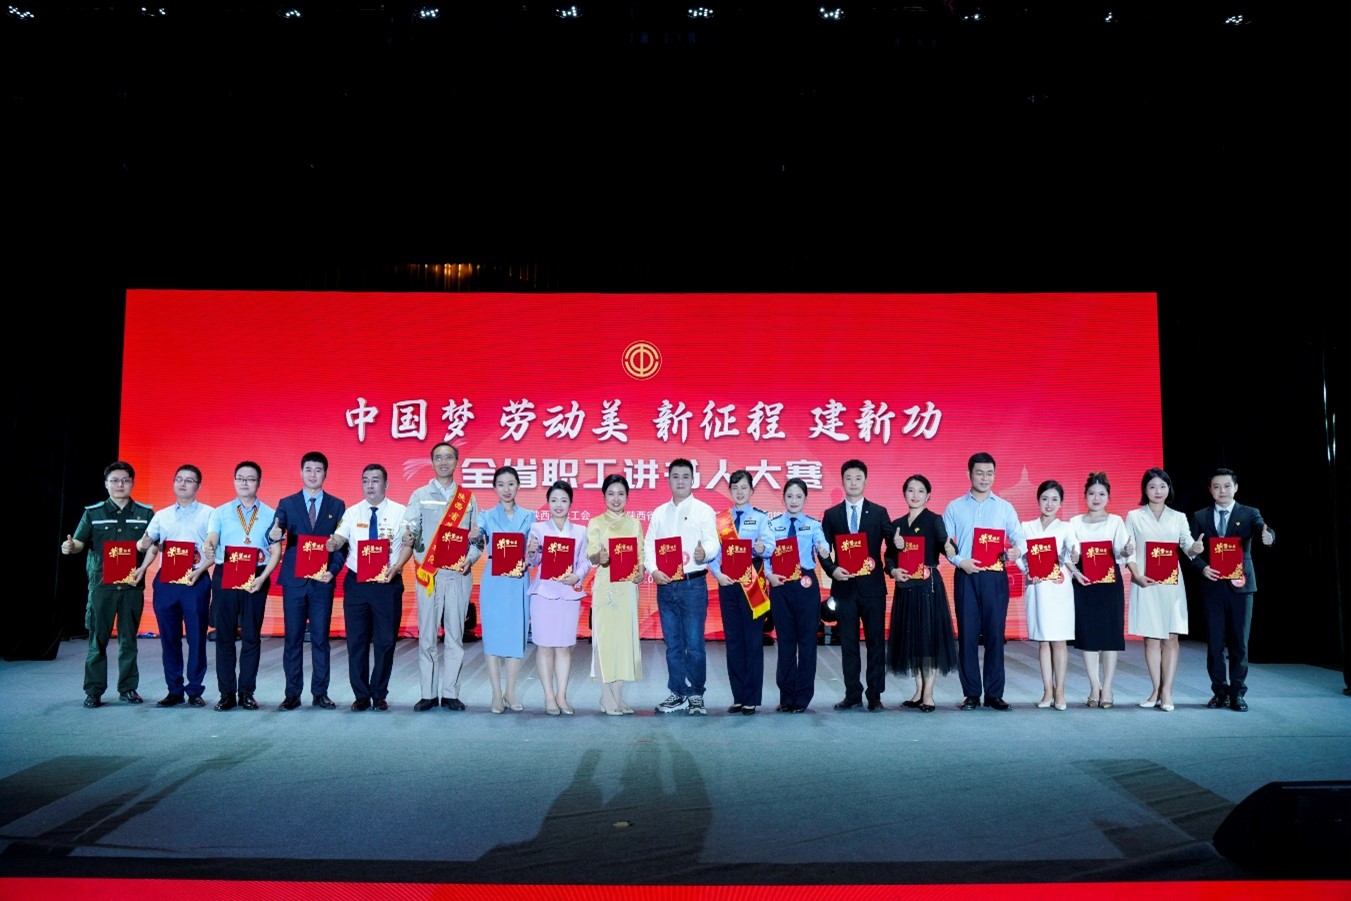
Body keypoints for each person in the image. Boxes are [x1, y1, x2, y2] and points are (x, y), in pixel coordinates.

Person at [61, 461, 154, 708]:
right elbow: (79, 543)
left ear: (132, 483)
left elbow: (154, 546)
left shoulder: (145, 513)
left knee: (128, 641)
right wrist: (70, 547)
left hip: (131, 586)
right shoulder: (93, 513)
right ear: (106, 484)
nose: (120, 484)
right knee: (97, 641)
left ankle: (128, 688)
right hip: (102, 586)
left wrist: (146, 548)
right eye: (114, 480)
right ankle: (93, 691)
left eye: (125, 480)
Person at [403, 442, 482, 712]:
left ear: (456, 462)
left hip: (458, 576)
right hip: (429, 576)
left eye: (448, 457)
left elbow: (478, 539)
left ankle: (450, 693)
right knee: (427, 637)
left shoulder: (468, 499)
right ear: (432, 462)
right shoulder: (420, 495)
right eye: (438, 458)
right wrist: (408, 536)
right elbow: (410, 528)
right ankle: (427, 693)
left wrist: (470, 558)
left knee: (455, 637)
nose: (444, 462)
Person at [942, 452, 1024, 711]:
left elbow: (1020, 538)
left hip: (995, 578)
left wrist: (1016, 551)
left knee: (995, 635)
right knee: (967, 636)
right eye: (979, 473)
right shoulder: (954, 507)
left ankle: (994, 694)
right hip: (966, 575)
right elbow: (945, 542)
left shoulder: (1005, 507)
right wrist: (959, 561)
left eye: (989, 473)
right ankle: (971, 694)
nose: (984, 478)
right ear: (969, 474)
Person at [1188, 467, 1274, 712]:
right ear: (1210, 490)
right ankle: (1219, 692)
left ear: (1235, 488)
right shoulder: (1200, 516)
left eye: (1227, 486)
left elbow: (1263, 529)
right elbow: (1191, 550)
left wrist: (1269, 536)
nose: (1222, 491)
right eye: (1216, 486)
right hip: (1212, 586)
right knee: (1215, 644)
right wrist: (1201, 565)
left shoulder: (1250, 513)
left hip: (1241, 586)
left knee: (1239, 643)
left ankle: (1237, 693)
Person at [268, 451, 347, 711]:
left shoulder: (337, 505)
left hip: (322, 581)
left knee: (320, 639)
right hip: (295, 582)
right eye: (308, 469)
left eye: (318, 470)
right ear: (301, 472)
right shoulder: (287, 503)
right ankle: (292, 694)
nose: (313, 475)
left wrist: (333, 571)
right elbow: (275, 531)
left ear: (326, 474)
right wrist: (274, 534)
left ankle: (320, 693)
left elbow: (342, 545)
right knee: (292, 639)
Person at [202, 461, 282, 711]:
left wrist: (263, 577)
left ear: (259, 482)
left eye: (250, 478)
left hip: (256, 576)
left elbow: (276, 550)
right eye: (240, 478)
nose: (245, 482)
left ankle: (247, 692)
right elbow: (212, 536)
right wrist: (208, 545)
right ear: (234, 481)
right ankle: (226, 694)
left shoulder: (271, 514)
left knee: (251, 636)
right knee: (224, 636)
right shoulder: (220, 512)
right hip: (226, 573)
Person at [327, 464, 408, 712]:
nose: (370, 485)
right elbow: (340, 537)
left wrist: (398, 567)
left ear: (386, 484)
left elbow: (408, 544)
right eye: (365, 480)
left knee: (385, 641)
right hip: (357, 584)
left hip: (387, 583)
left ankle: (379, 693)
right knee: (356, 642)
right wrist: (333, 543)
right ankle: (361, 695)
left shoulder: (401, 512)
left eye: (375, 480)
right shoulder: (352, 512)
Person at [645, 458, 720, 716]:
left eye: (685, 476)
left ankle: (696, 694)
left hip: (693, 585)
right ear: (668, 480)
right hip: (666, 586)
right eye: (675, 476)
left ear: (692, 480)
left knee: (695, 644)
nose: (680, 481)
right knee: (673, 644)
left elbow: (713, 543)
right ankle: (677, 692)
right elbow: (649, 546)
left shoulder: (703, 510)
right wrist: (653, 570)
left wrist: (704, 553)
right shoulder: (658, 513)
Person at [137, 464, 214, 708]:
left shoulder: (210, 514)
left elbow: (215, 550)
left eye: (189, 480)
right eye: (178, 479)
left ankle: (195, 690)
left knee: (196, 638)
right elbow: (150, 545)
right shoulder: (162, 515)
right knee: (169, 638)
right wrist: (143, 565)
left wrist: (200, 570)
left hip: (195, 580)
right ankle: (174, 690)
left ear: (198, 486)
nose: (182, 483)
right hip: (167, 582)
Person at [1122, 468, 1198, 712]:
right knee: (1151, 638)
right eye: (1152, 486)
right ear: (1145, 490)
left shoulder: (1178, 517)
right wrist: (1136, 575)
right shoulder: (1134, 516)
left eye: (1162, 486)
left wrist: (1195, 548)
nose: (1158, 491)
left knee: (1171, 637)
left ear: (1169, 489)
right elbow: (1128, 550)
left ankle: (1167, 692)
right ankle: (1156, 689)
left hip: (1171, 583)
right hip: (1145, 581)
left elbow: (1187, 546)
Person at [820, 459, 892, 711]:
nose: (853, 483)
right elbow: (822, 549)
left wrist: (897, 553)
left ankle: (875, 695)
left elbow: (892, 545)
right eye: (848, 478)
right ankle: (852, 693)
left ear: (865, 481)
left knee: (875, 642)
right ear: (842, 481)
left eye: (858, 478)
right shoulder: (832, 515)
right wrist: (832, 570)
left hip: (873, 589)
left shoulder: (879, 512)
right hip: (844, 589)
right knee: (848, 643)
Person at [884, 474, 957, 713]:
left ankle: (928, 694)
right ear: (904, 494)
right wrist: (894, 570)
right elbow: (888, 558)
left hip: (928, 588)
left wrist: (950, 547)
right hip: (906, 588)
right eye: (910, 490)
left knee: (928, 639)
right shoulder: (897, 524)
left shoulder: (934, 520)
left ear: (928, 496)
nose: (915, 495)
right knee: (912, 640)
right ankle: (918, 691)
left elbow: (946, 546)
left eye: (920, 491)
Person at [709, 469, 775, 715]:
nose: (739, 492)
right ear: (730, 491)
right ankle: (738, 697)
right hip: (727, 585)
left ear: (751, 490)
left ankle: (751, 698)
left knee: (753, 642)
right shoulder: (720, 520)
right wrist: (717, 573)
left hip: (752, 586)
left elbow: (771, 546)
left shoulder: (760, 518)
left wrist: (761, 548)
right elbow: (713, 552)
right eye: (735, 488)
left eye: (744, 487)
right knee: (734, 641)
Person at [526, 481, 591, 716]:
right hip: (543, 593)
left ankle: (562, 696)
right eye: (553, 500)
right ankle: (549, 696)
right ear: (548, 503)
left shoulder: (581, 531)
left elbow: (585, 561)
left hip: (568, 594)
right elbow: (533, 561)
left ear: (571, 503)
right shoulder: (537, 528)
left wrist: (577, 576)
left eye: (563, 500)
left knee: (564, 647)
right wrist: (531, 551)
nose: (558, 505)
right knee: (544, 647)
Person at [478, 466, 536, 714]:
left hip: (517, 579)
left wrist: (530, 555)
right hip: (494, 580)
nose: (506, 489)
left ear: (518, 486)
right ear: (494, 488)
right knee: (492, 637)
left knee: (515, 636)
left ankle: (510, 692)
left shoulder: (529, 517)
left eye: (511, 484)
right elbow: (476, 536)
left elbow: (535, 551)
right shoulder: (485, 516)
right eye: (501, 484)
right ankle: (495, 693)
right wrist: (472, 535)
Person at [586, 474, 644, 715]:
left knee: (624, 643)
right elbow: (591, 554)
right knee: (605, 642)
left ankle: (618, 696)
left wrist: (640, 572)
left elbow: (640, 555)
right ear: (604, 496)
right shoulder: (596, 523)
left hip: (628, 589)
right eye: (611, 493)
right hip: (606, 590)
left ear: (627, 496)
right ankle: (606, 695)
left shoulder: (635, 524)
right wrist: (599, 557)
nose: (616, 498)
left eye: (621, 493)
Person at [1016, 480, 1075, 710]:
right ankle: (1047, 691)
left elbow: (1072, 552)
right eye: (1045, 499)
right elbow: (1019, 554)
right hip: (1037, 586)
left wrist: (1075, 556)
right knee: (1043, 641)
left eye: (1054, 500)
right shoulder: (1026, 526)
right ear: (1038, 500)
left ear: (1061, 503)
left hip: (1058, 587)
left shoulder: (1066, 527)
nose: (1049, 504)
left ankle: (1060, 692)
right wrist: (1027, 571)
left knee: (1059, 640)